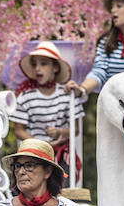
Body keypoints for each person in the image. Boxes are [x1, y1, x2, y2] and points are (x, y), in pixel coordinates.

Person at [10, 41, 78, 174]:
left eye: (43, 63)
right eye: (34, 64)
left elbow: (75, 129)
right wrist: (39, 144)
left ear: (55, 68)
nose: (37, 69)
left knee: (63, 181)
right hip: (34, 155)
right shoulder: (26, 96)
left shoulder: (67, 96)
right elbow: (18, 130)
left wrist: (59, 133)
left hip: (61, 154)